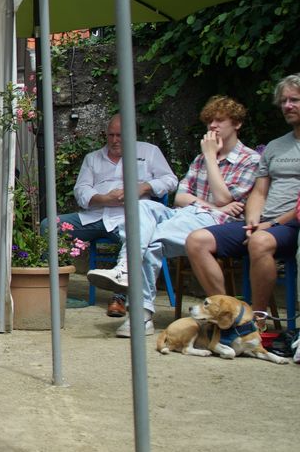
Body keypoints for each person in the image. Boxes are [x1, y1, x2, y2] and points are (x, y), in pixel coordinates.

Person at [88, 96, 261, 337]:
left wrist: (211, 158)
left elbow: (223, 199)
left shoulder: (249, 159)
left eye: (219, 121)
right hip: (185, 214)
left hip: (215, 225)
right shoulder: (201, 158)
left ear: (237, 124)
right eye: (209, 121)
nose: (212, 126)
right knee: (142, 208)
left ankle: (141, 313)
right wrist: (210, 203)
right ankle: (127, 270)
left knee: (149, 242)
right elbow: (180, 196)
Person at [184, 76, 300, 315]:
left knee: (260, 241)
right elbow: (259, 191)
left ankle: (256, 320)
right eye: (284, 100)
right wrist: (253, 221)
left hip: (292, 224)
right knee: (197, 240)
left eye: (295, 100)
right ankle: (229, 313)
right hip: (263, 224)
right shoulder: (276, 146)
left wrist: (270, 224)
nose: (287, 105)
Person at [59, 113, 178, 317]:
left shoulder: (149, 152)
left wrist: (143, 187)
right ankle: (51, 288)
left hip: (130, 218)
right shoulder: (93, 158)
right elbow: (81, 190)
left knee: (134, 237)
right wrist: (103, 199)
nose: (114, 140)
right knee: (49, 226)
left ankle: (119, 297)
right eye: (111, 135)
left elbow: (170, 180)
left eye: (120, 136)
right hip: (96, 216)